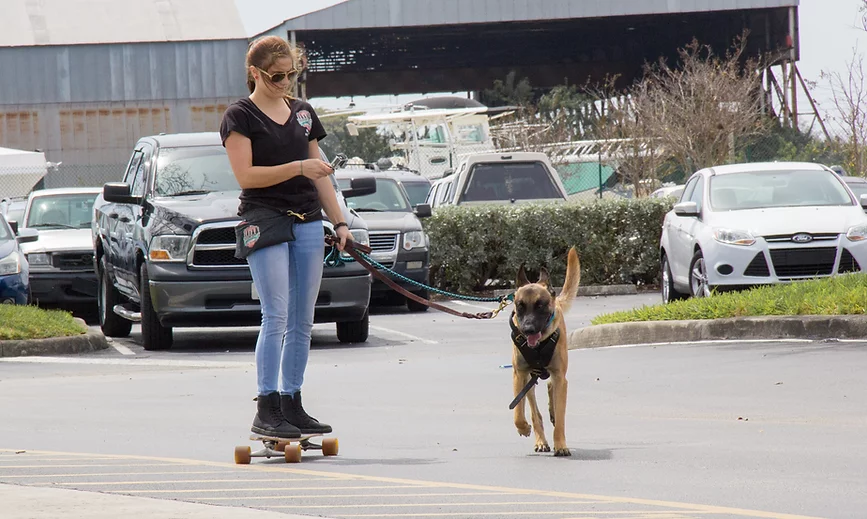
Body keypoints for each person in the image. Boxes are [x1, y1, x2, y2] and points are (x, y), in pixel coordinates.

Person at [219, 35, 351, 439]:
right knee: (275, 313)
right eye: (276, 76)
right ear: (255, 73)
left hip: (307, 219)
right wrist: (297, 168)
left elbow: (320, 173)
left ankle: (292, 403)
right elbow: (246, 176)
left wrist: (340, 223)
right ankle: (267, 407)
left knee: (302, 318)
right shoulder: (239, 116)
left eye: (291, 74)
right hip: (265, 218)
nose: (285, 82)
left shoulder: (304, 113)